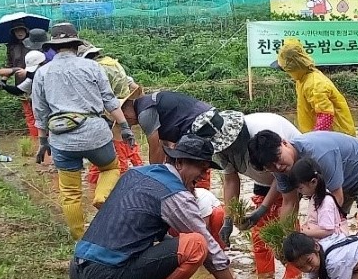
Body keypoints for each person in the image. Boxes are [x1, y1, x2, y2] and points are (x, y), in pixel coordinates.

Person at [69, 135, 245, 279]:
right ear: (179, 163)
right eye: (201, 168)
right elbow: (210, 248)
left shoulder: (136, 173)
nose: (203, 176)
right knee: (196, 245)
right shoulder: (175, 194)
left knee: (148, 241)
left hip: (78, 271)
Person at [248, 130, 358, 279]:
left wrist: (318, 232)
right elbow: (289, 202)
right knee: (334, 238)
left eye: (278, 159)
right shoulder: (280, 171)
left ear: (284, 143)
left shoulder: (319, 153)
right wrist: (286, 241)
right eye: (271, 167)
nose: (278, 167)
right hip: (334, 185)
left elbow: (334, 200)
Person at [32, 22, 135, 240]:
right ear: (76, 44)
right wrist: (124, 127)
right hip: (95, 134)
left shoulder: (42, 73)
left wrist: (43, 142)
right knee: (110, 168)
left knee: (70, 193)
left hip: (62, 138)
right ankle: (101, 197)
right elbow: (109, 100)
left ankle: (80, 239)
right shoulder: (92, 67)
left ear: (54, 46)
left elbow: (39, 111)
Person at [215, 112, 302, 279]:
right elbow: (231, 181)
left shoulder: (263, 133)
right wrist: (228, 219)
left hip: (290, 173)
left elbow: (281, 173)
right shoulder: (220, 146)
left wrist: (262, 209)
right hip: (264, 178)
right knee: (260, 234)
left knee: (287, 228)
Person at [120, 91, 244, 189]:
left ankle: (199, 197)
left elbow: (155, 147)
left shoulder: (144, 114)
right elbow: (165, 146)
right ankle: (198, 194)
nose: (130, 124)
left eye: (126, 121)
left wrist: (153, 175)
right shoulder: (151, 101)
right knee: (189, 164)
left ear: (125, 115)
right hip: (209, 116)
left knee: (192, 164)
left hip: (201, 123)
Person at [289, 157, 349, 279]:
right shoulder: (316, 198)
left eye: (301, 187)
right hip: (322, 250)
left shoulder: (326, 201)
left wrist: (307, 233)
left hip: (333, 250)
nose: (300, 191)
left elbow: (328, 229)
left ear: (313, 182)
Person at [78, 42, 144, 180]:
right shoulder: (112, 63)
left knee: (109, 146)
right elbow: (130, 83)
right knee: (126, 141)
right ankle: (141, 172)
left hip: (111, 110)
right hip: (125, 105)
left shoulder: (96, 68)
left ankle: (111, 180)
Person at [270, 38, 355, 136]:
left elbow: (326, 116)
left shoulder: (315, 85)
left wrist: (313, 139)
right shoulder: (302, 78)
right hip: (322, 135)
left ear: (293, 68)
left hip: (336, 137)